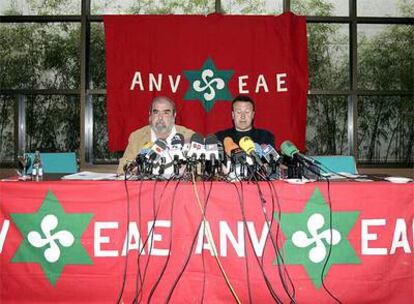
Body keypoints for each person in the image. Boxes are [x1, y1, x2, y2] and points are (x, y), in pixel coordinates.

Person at [117, 96, 194, 174]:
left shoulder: (188, 136)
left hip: (179, 185)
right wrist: (134, 168)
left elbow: (200, 170)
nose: (160, 117)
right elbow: (121, 170)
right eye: (156, 112)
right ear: (150, 115)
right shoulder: (137, 137)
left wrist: (189, 170)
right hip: (147, 185)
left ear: (174, 116)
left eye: (166, 113)